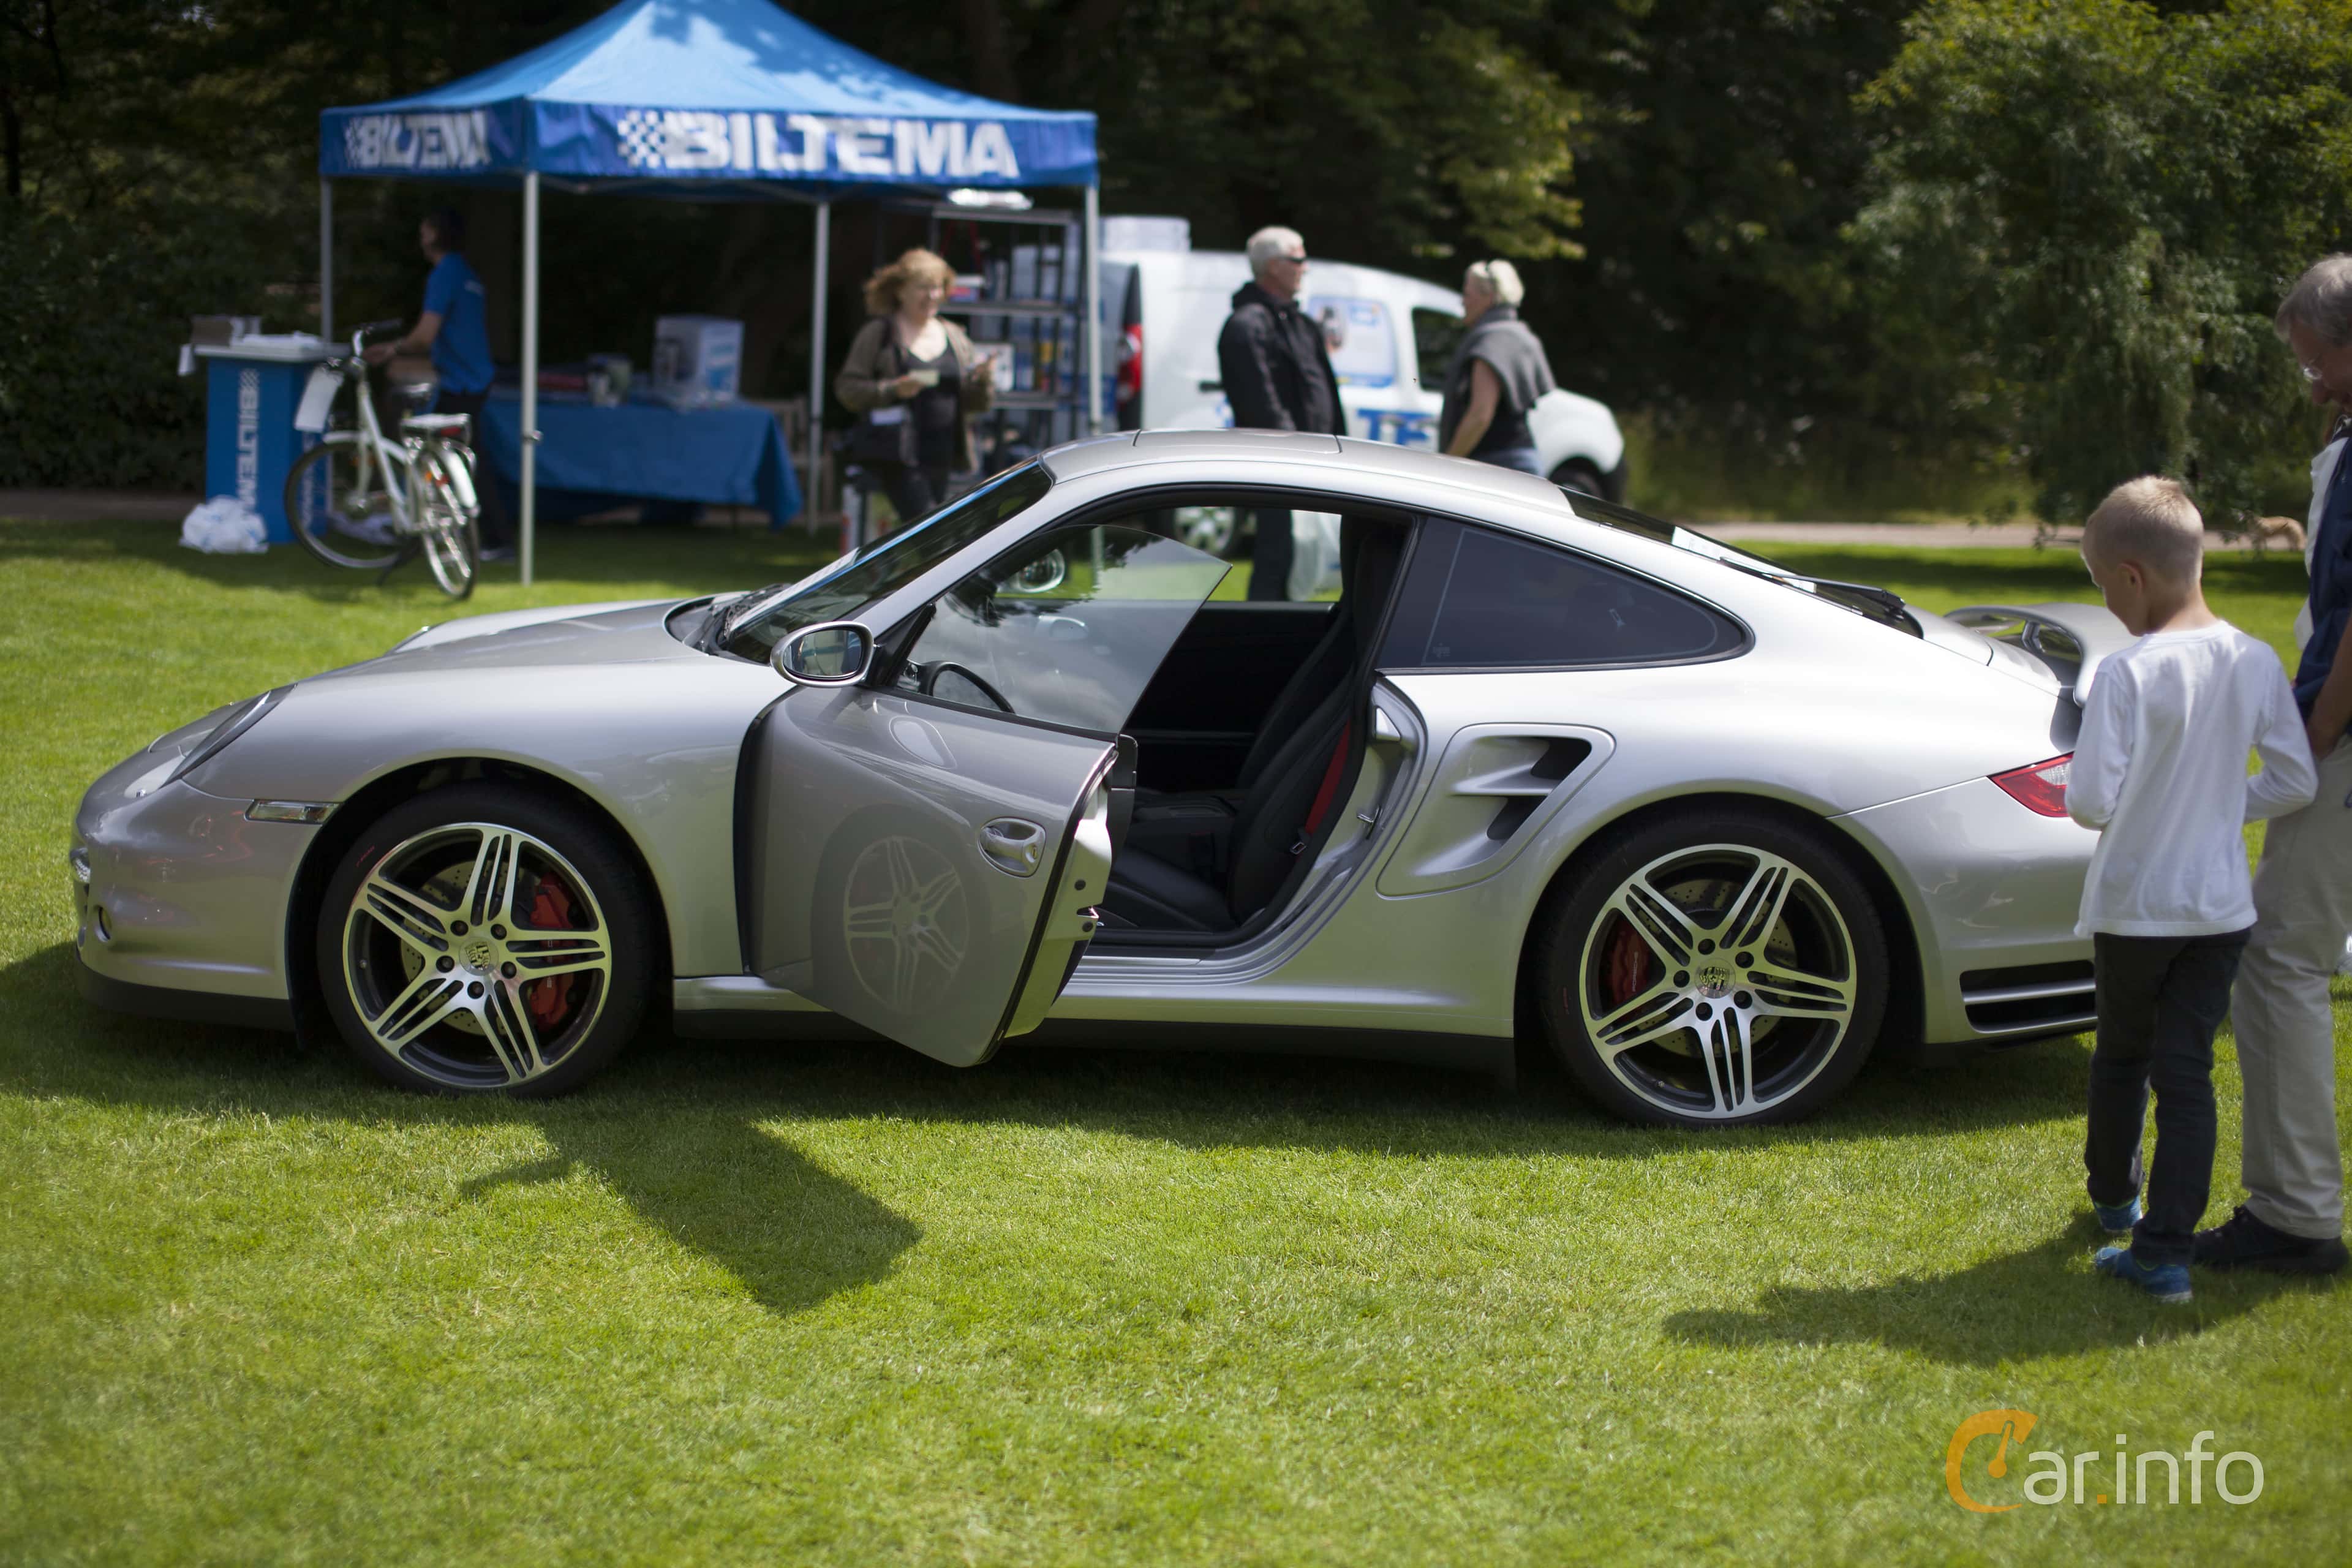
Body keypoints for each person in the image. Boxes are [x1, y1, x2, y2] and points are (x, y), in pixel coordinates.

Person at [2065, 477, 2316, 1303]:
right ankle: (2166, 1254)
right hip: (2219, 913)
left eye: (2104, 590)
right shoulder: (2255, 659)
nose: (2109, 608)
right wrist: (2222, 804)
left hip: (2137, 909)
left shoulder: (2126, 674)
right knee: (2187, 1073)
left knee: (2122, 1056)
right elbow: (2296, 778)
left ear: (2131, 576)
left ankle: (2114, 1200)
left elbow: (2091, 802)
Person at [2203, 257, 2352, 1276]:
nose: (2311, 384)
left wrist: (2320, 733)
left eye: (2318, 362)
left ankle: (2296, 1216)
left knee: (2282, 956)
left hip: (2345, 736)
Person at [363, 207, 511, 557]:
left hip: (462, 382)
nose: (420, 237)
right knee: (460, 456)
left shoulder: (445, 274)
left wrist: (392, 349)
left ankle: (486, 538)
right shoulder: (465, 272)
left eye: (424, 230)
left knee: (454, 457)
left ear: (433, 234)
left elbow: (424, 336)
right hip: (472, 378)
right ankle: (450, 530)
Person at [1216, 225, 1344, 600]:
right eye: (1298, 259)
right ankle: (1260, 631)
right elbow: (1262, 405)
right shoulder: (1246, 326)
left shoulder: (1302, 324)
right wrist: (1295, 455)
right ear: (1274, 266)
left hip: (1315, 462)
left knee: (1304, 563)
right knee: (1278, 557)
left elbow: (1326, 395)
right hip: (1279, 466)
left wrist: (1341, 449)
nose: (1306, 267)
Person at [835, 248, 997, 531]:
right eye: (923, 287)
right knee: (933, 532)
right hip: (898, 455)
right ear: (900, 291)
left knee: (940, 536)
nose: (932, 296)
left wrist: (983, 380)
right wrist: (892, 390)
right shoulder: (880, 333)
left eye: (937, 287)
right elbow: (847, 389)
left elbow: (978, 405)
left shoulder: (955, 336)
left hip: (946, 456)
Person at [1438, 259, 1557, 475]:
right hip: (1515, 462)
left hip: (1499, 465)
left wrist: (1447, 464)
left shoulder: (1493, 339)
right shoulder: (1517, 332)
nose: (1463, 302)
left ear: (1490, 297)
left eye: (1468, 294)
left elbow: (1480, 415)